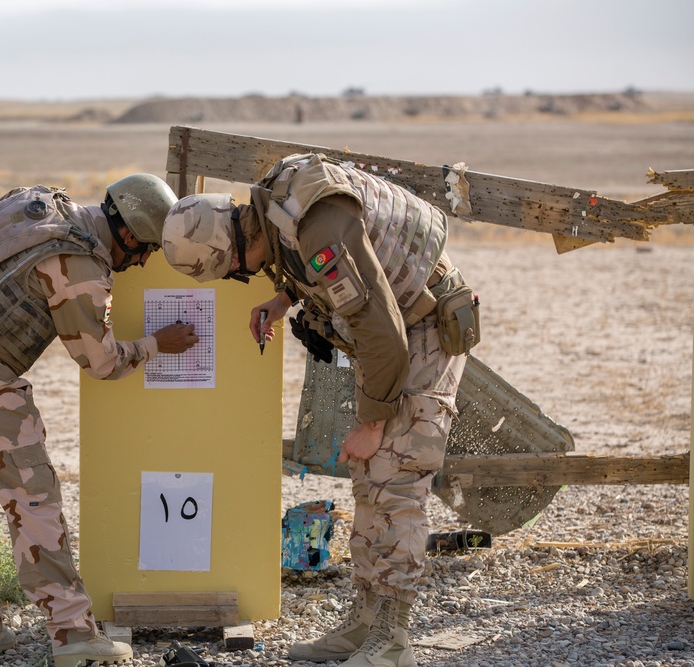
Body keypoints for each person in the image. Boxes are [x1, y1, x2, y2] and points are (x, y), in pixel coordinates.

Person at [160, 153, 479, 667]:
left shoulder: (317, 226)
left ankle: (393, 640)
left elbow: (386, 336)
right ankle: (365, 623)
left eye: (237, 270)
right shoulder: (274, 207)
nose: (245, 274)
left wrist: (372, 424)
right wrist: (285, 297)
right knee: (368, 476)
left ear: (233, 242)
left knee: (396, 481)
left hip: (421, 328)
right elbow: (317, 262)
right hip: (393, 328)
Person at [0, 174, 199, 665]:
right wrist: (155, 345)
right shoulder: (80, 264)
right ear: (127, 235)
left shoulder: (42, 207)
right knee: (34, 505)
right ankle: (73, 635)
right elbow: (100, 362)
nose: (141, 262)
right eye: (143, 251)